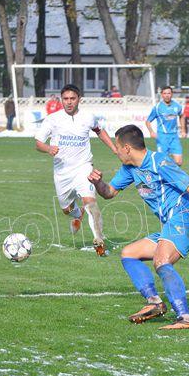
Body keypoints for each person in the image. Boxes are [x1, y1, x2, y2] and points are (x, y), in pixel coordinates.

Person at [87, 124, 189, 329]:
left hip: (185, 218)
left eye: (117, 147)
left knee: (161, 260)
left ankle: (185, 318)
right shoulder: (130, 168)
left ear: (127, 148)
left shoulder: (160, 162)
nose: (116, 151)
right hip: (171, 223)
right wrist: (98, 183)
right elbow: (109, 192)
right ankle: (154, 302)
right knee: (129, 253)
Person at [35, 84, 116, 257]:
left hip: (83, 167)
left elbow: (99, 131)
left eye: (72, 98)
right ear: (61, 100)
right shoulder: (52, 119)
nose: (69, 102)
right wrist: (48, 148)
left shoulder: (88, 117)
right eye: (65, 99)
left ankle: (99, 241)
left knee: (91, 201)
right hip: (62, 173)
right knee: (66, 209)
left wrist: (114, 149)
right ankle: (78, 214)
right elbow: (38, 143)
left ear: (79, 99)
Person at [145, 86, 186, 166]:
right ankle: (159, 167)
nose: (167, 95)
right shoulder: (157, 107)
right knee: (163, 162)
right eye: (165, 93)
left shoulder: (177, 106)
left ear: (172, 94)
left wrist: (183, 130)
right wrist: (151, 132)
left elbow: (181, 116)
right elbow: (148, 121)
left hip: (174, 137)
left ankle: (165, 167)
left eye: (169, 93)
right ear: (162, 95)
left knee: (179, 162)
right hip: (162, 137)